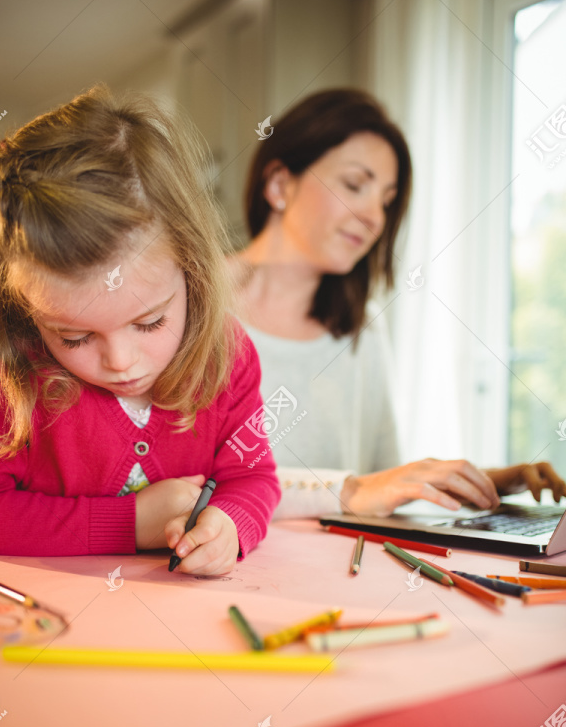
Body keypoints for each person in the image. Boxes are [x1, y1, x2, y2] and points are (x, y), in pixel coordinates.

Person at [0, 85, 280, 574]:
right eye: (74, 337)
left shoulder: (229, 357)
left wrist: (230, 524)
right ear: (23, 310)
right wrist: (128, 523)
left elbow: (253, 477)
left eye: (150, 321)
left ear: (192, 268)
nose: (121, 361)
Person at [229, 88, 566, 518]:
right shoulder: (187, 305)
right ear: (279, 185)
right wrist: (353, 489)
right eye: (354, 185)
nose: (374, 217)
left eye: (386, 202)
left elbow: (378, 484)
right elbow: (175, 488)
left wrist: (486, 483)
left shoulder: (360, 330)